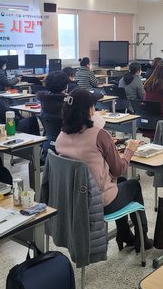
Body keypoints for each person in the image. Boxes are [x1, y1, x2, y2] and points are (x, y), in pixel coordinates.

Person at [55, 89, 153, 252]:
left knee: (121, 183)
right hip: (99, 203)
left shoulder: (60, 137)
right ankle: (142, 239)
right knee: (134, 185)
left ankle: (124, 234)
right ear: (89, 110)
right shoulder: (100, 135)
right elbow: (119, 169)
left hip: (74, 200)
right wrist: (130, 150)